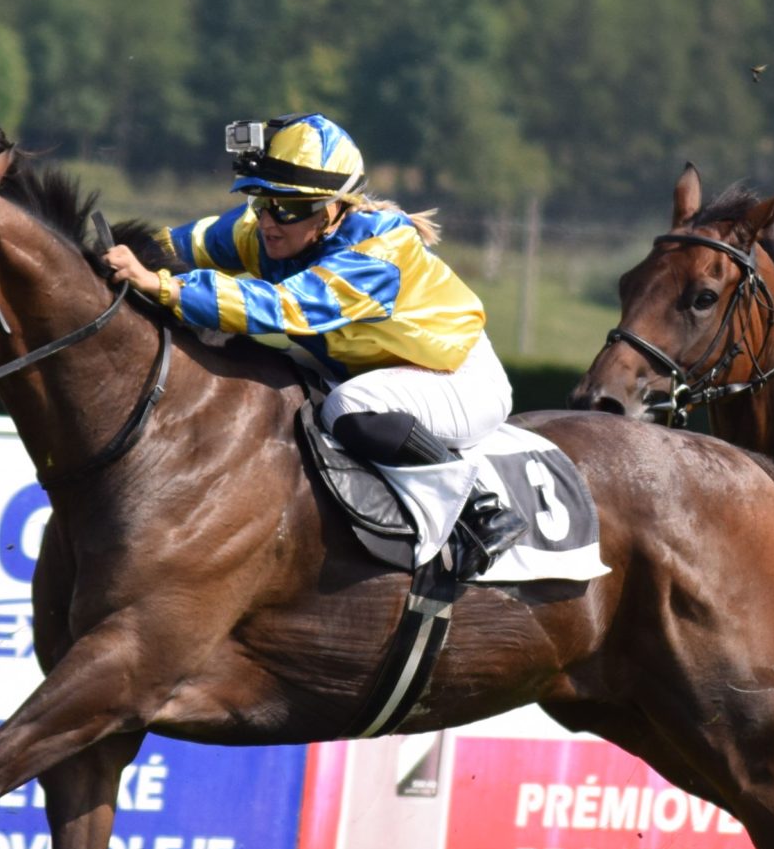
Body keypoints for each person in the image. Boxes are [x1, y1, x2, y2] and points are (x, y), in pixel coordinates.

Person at [105, 112, 523, 578]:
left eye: (287, 207)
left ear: (332, 210)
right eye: (261, 200)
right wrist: (111, 258)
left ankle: (480, 509)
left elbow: (285, 307)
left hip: (458, 378)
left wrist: (166, 288)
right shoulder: (269, 230)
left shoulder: (377, 254)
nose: (268, 220)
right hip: (374, 368)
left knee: (349, 407)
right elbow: (182, 244)